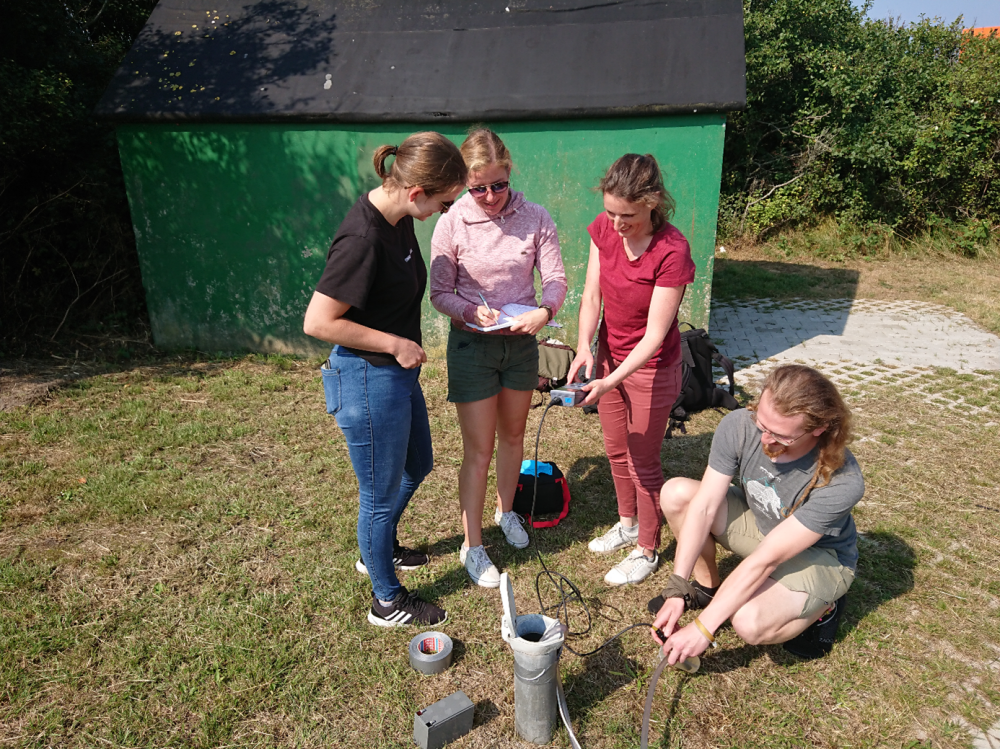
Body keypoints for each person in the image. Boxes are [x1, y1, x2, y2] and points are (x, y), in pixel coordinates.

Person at [303, 132, 466, 627]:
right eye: (444, 201)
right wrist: (395, 343)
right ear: (416, 192)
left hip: (396, 377)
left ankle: (378, 550)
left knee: (419, 464)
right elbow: (318, 321)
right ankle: (387, 600)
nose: (445, 210)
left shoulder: (397, 220)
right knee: (378, 493)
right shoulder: (364, 238)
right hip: (367, 379)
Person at [652, 364, 864, 663]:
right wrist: (677, 587)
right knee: (678, 494)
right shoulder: (741, 424)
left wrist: (704, 628)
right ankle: (705, 588)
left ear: (818, 429)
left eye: (781, 436)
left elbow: (767, 559)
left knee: (748, 622)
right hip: (766, 528)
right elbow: (704, 506)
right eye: (762, 425)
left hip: (819, 556)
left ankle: (825, 606)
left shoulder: (843, 481)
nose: (764, 439)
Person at [430, 128, 567, 588]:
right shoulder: (451, 222)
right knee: (479, 449)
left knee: (513, 437)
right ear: (465, 185)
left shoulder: (536, 216)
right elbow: (439, 292)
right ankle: (473, 545)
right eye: (478, 187)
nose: (490, 196)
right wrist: (470, 310)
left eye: (498, 184)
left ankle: (507, 511)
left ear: (510, 174)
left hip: (521, 344)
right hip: (472, 345)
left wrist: (545, 311)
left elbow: (555, 279)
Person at [566, 154, 696, 586]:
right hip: (608, 358)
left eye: (628, 216)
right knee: (615, 449)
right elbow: (591, 296)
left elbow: (656, 335)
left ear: (653, 203)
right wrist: (585, 347)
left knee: (643, 458)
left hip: (650, 367)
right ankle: (626, 524)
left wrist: (611, 380)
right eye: (610, 212)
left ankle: (647, 547)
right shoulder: (603, 229)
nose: (617, 224)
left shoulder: (672, 250)